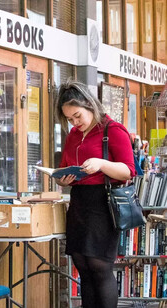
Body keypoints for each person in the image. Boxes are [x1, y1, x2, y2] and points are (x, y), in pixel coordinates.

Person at [55, 80, 136, 308]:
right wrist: (63, 178)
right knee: (83, 267)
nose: (75, 122)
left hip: (103, 203)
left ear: (90, 105)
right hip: (79, 202)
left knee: (100, 267)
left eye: (78, 116)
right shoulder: (73, 135)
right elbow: (64, 166)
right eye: (70, 119)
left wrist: (101, 164)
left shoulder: (112, 130)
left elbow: (128, 170)